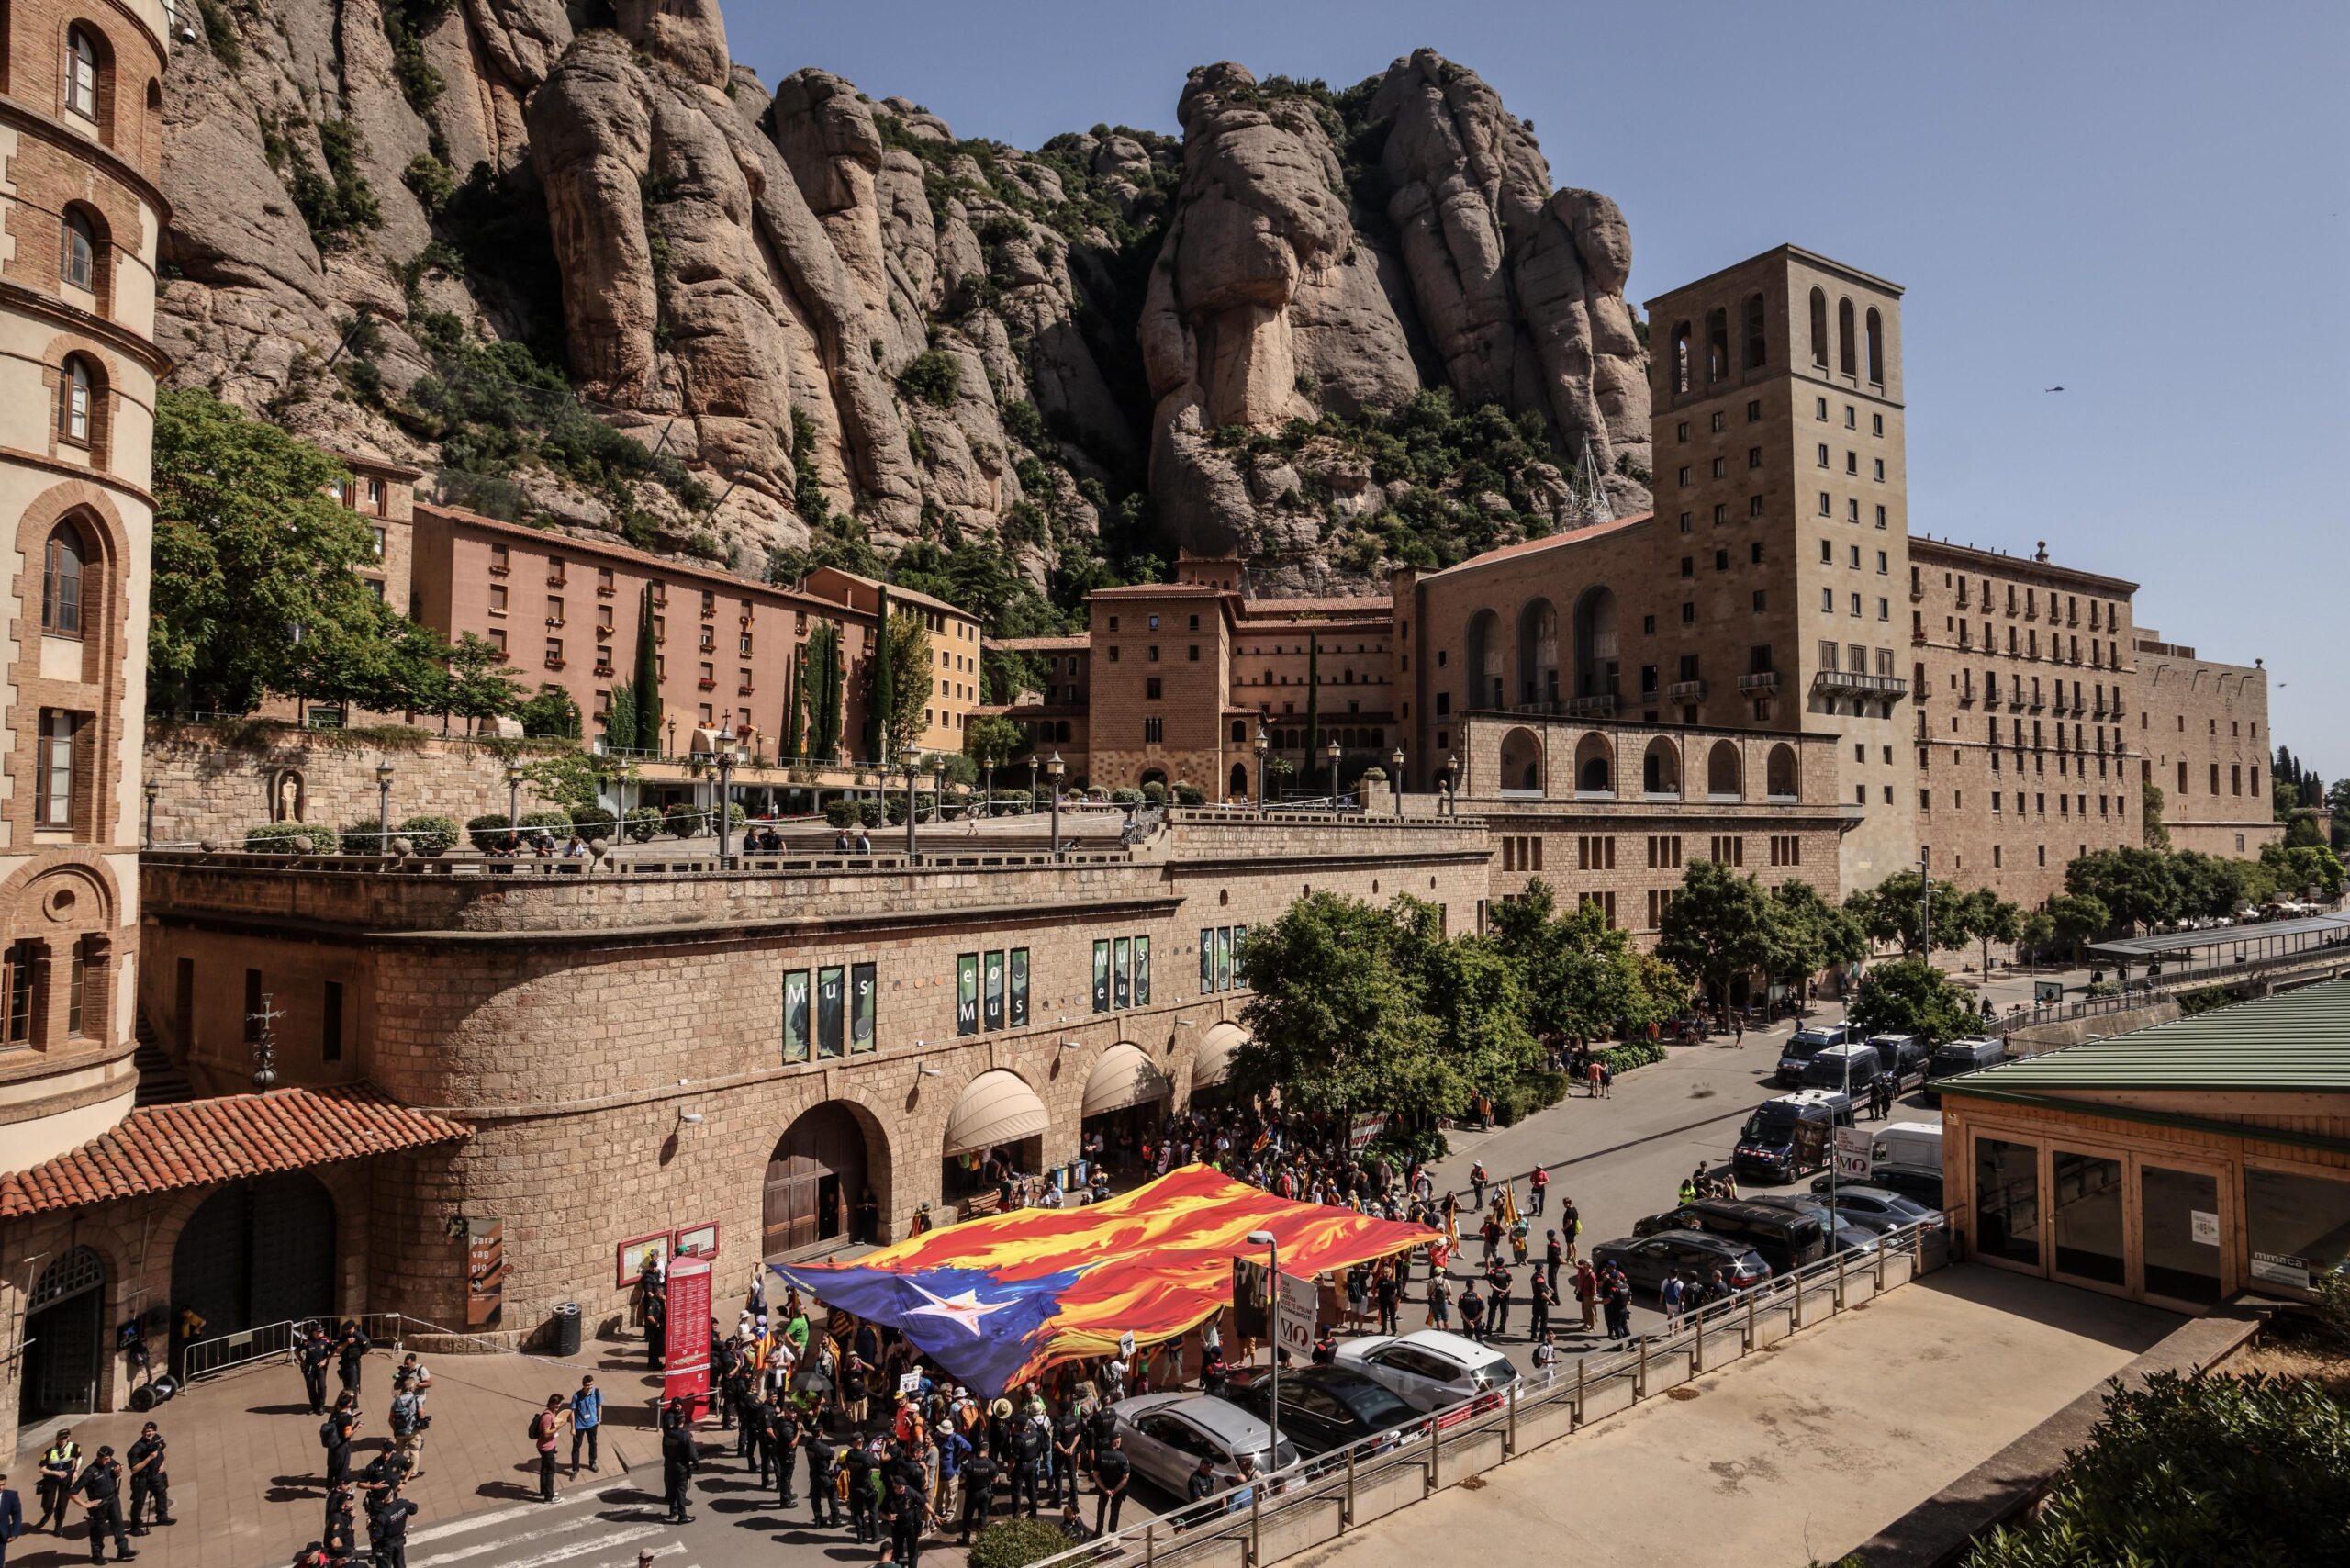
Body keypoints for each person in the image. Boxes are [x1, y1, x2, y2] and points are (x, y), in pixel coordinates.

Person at [72, 1445, 133, 1564]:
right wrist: (85, 1505)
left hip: (113, 1499)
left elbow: (116, 1472)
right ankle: (97, 1555)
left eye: (110, 1458)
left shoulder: (111, 1462)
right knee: (98, 1530)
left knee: (118, 1524)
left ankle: (123, 1550)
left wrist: (118, 1473)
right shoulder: (90, 1472)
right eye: (106, 1458)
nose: (109, 1460)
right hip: (99, 1505)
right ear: (99, 1457)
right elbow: (72, 1492)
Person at [122, 1425, 170, 1532]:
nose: (150, 1433)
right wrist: (149, 1458)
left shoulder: (157, 1439)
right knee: (139, 1501)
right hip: (141, 1478)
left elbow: (164, 1448)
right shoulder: (137, 1449)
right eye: (147, 1431)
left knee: (161, 1494)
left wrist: (162, 1463)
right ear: (142, 1432)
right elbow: (134, 1469)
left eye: (152, 1431)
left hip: (156, 1474)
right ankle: (135, 1526)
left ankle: (162, 1517)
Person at [955, 1442, 998, 1544]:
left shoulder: (970, 1464)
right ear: (987, 1451)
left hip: (972, 1493)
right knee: (983, 1515)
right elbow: (995, 1480)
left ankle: (965, 1539)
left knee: (968, 1516)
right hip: (985, 1492)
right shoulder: (991, 1464)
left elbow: (961, 1481)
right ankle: (981, 1540)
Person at [660, 1407, 697, 1526]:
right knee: (681, 1491)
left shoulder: (667, 1435)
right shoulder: (685, 1435)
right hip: (681, 1466)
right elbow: (692, 1453)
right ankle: (682, 1516)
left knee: (672, 1489)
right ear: (683, 1421)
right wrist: (696, 1463)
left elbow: (664, 1452)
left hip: (670, 1465)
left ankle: (673, 1512)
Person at [38, 1431, 80, 1533]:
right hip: (51, 1478)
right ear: (56, 1439)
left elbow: (79, 1458)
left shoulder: (73, 1447)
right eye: (61, 1438)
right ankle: (48, 1512)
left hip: (66, 1478)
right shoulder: (49, 1451)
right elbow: (42, 1469)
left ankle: (58, 1524)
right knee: (47, 1503)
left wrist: (75, 1471)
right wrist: (55, 1473)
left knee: (62, 1502)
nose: (63, 1440)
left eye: (66, 1437)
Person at [368, 1483, 418, 1568]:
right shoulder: (403, 1503)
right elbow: (414, 1509)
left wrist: (369, 1527)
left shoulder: (382, 1516)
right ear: (391, 1492)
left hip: (386, 1546)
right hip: (399, 1540)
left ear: (382, 1500)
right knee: (400, 1564)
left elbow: (375, 1538)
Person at [531, 1395, 569, 1502]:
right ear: (550, 1403)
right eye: (556, 1403)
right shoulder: (547, 1416)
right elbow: (547, 1433)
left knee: (544, 1469)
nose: (558, 1405)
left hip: (547, 1446)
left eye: (559, 1403)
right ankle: (549, 1496)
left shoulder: (551, 1412)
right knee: (551, 1471)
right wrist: (560, 1425)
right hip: (546, 1448)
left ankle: (544, 1491)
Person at [1091, 1431, 1130, 1536]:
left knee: (1101, 1510)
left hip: (1104, 1487)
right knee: (1115, 1511)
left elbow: (1096, 1475)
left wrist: (1104, 1489)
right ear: (1116, 1443)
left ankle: (1098, 1532)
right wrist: (1115, 1490)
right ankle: (1112, 1533)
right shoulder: (1122, 1458)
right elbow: (1125, 1477)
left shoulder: (1101, 1455)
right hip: (1117, 1490)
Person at [804, 1426, 840, 1529]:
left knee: (815, 1497)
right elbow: (832, 1455)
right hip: (824, 1474)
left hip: (813, 1474)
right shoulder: (822, 1447)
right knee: (832, 1495)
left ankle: (818, 1520)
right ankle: (835, 1519)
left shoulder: (808, 1445)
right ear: (820, 1432)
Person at [320, 1394, 359, 1489]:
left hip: (332, 1445)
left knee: (331, 1467)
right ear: (348, 1405)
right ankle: (339, 1488)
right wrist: (357, 1427)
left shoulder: (334, 1414)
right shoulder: (347, 1418)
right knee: (342, 1469)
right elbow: (347, 1434)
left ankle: (329, 1488)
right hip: (342, 1447)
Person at [569, 1375, 602, 1475]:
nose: (590, 1388)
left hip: (592, 1424)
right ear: (583, 1385)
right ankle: (575, 1469)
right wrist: (573, 1428)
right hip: (580, 1426)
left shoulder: (596, 1392)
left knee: (593, 1443)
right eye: (588, 1386)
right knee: (576, 1447)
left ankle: (592, 1463)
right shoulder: (576, 1396)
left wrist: (599, 1419)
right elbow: (572, 1412)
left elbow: (599, 1406)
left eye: (591, 1385)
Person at [297, 1324, 333, 1416]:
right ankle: (314, 1406)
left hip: (321, 1367)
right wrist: (302, 1361)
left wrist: (325, 1360)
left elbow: (333, 1351)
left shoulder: (326, 1340)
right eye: (319, 1331)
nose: (322, 1332)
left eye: (322, 1331)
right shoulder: (307, 1342)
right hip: (309, 1368)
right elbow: (296, 1351)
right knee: (311, 1387)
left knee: (321, 1386)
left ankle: (321, 1405)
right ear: (314, 1333)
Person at [0, 1470, 21, 1568]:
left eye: (3, 1485)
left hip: (1, 1535)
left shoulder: (11, 1496)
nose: (1, 1488)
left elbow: (17, 1515)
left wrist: (15, 1532)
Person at [1573, 1259, 1599, 1333]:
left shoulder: (1592, 1275)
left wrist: (1594, 1295)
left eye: (1585, 1264)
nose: (1584, 1265)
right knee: (1584, 1310)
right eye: (1584, 1264)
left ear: (1590, 1266)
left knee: (1591, 1311)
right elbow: (1576, 1265)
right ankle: (1586, 1324)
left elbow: (1595, 1285)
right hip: (1583, 1294)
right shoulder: (1583, 1270)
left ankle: (1593, 1326)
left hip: (1589, 1296)